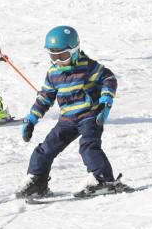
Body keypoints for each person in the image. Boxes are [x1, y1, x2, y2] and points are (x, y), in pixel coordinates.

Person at [15, 26, 128, 199]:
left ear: (75, 51)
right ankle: (36, 181)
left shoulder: (88, 67)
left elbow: (108, 78)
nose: (58, 61)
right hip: (67, 119)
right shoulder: (53, 73)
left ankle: (103, 179)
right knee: (45, 150)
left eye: (63, 56)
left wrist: (105, 101)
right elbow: (45, 97)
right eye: (53, 56)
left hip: (89, 116)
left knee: (88, 147)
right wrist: (31, 119)